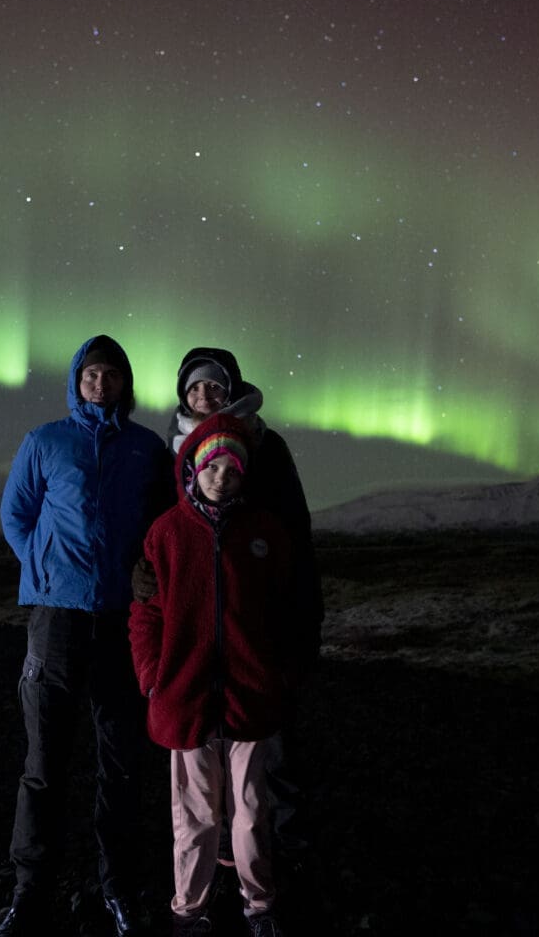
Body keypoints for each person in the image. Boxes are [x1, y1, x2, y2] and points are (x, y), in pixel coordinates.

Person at [0, 335, 174, 937]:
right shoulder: (45, 441)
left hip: (121, 620)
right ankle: (30, 892)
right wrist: (44, 570)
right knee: (44, 763)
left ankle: (118, 889)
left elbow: (163, 524)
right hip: (58, 620)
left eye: (111, 374)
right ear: (76, 380)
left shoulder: (146, 449)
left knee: (120, 764)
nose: (101, 383)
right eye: (91, 374)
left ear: (125, 383)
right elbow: (16, 515)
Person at [136, 348, 323, 881]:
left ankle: (280, 849)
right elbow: (160, 525)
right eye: (193, 388)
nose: (203, 396)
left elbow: (293, 530)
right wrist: (145, 573)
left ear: (232, 389)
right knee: (203, 742)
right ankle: (219, 849)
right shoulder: (172, 447)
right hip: (195, 621)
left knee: (269, 743)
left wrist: (302, 620)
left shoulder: (264, 444)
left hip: (255, 616)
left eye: (214, 386)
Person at [130, 413, 301, 937]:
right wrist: (152, 678)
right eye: (211, 467)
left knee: (251, 811)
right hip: (186, 695)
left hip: (250, 695)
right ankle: (189, 909)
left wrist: (279, 674)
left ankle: (259, 905)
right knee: (194, 814)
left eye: (231, 469)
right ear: (193, 469)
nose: (221, 477)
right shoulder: (167, 533)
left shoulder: (265, 532)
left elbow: (285, 611)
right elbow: (146, 614)